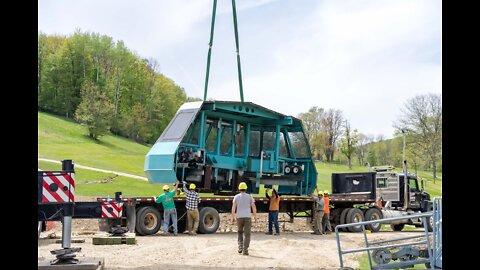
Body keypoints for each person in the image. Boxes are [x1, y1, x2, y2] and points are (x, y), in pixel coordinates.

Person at [232, 182, 257, 256]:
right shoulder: (250, 196)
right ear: (246, 188)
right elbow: (253, 207)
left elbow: (233, 208)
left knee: (240, 232)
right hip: (247, 217)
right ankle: (245, 250)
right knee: (247, 234)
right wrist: (255, 216)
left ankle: (240, 248)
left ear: (239, 188)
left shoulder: (236, 197)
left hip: (239, 217)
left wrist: (233, 217)